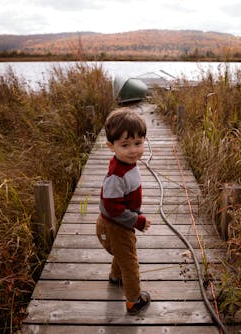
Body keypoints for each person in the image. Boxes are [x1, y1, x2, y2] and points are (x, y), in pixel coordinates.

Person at [96, 108, 152, 315]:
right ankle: (133, 301)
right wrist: (137, 220)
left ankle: (114, 276)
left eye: (138, 143)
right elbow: (112, 209)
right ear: (111, 146)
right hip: (115, 226)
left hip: (117, 224)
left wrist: (135, 213)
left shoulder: (127, 163)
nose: (133, 150)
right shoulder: (116, 176)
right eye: (125, 145)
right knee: (130, 263)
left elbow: (123, 200)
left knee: (122, 253)